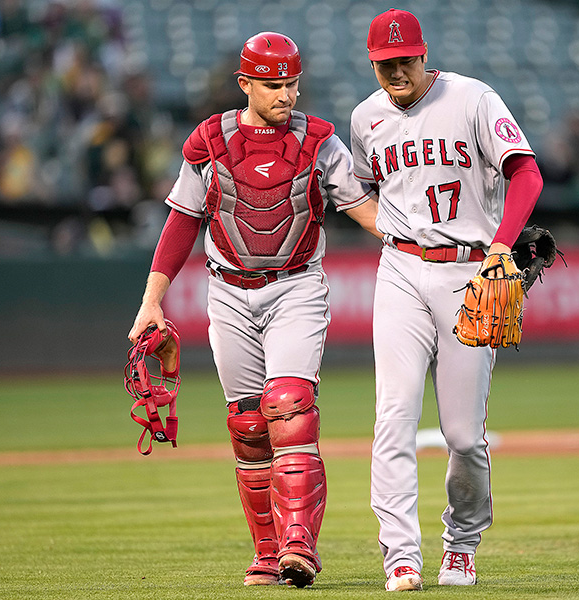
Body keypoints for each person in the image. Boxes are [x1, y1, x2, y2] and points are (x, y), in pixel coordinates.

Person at [127, 31, 380, 588]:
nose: (285, 95)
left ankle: (299, 544)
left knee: (289, 405)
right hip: (228, 291)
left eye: (291, 83)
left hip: (295, 285)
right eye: (272, 85)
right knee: (248, 424)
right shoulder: (210, 141)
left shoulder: (320, 143)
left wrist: (439, 242)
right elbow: (182, 221)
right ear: (245, 84)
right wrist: (152, 301)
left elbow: (368, 214)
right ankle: (268, 553)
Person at [350, 9, 543, 591]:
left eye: (406, 59)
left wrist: (502, 247)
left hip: (469, 271)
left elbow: (527, 175)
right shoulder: (366, 118)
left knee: (462, 435)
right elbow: (361, 190)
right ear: (373, 64)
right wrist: (385, 230)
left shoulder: (474, 99)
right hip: (402, 271)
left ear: (423, 53)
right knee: (394, 416)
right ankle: (400, 555)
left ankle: (461, 543)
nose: (397, 71)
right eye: (386, 64)